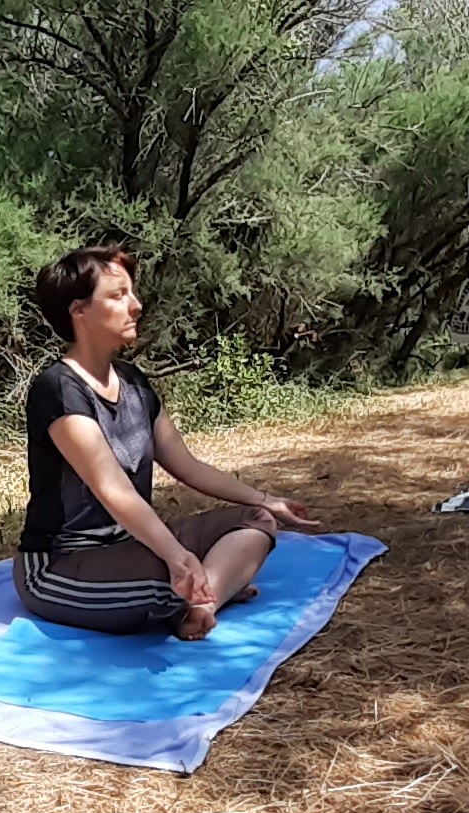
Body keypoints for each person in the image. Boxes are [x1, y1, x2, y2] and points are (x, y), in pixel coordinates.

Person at [18, 245, 320, 640]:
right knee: (169, 576)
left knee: (256, 521)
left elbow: (187, 465)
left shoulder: (134, 383)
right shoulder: (59, 389)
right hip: (60, 565)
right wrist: (177, 556)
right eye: (118, 295)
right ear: (80, 311)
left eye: (132, 293)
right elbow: (113, 490)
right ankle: (202, 593)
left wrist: (266, 500)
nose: (136, 305)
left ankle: (202, 602)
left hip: (130, 546)